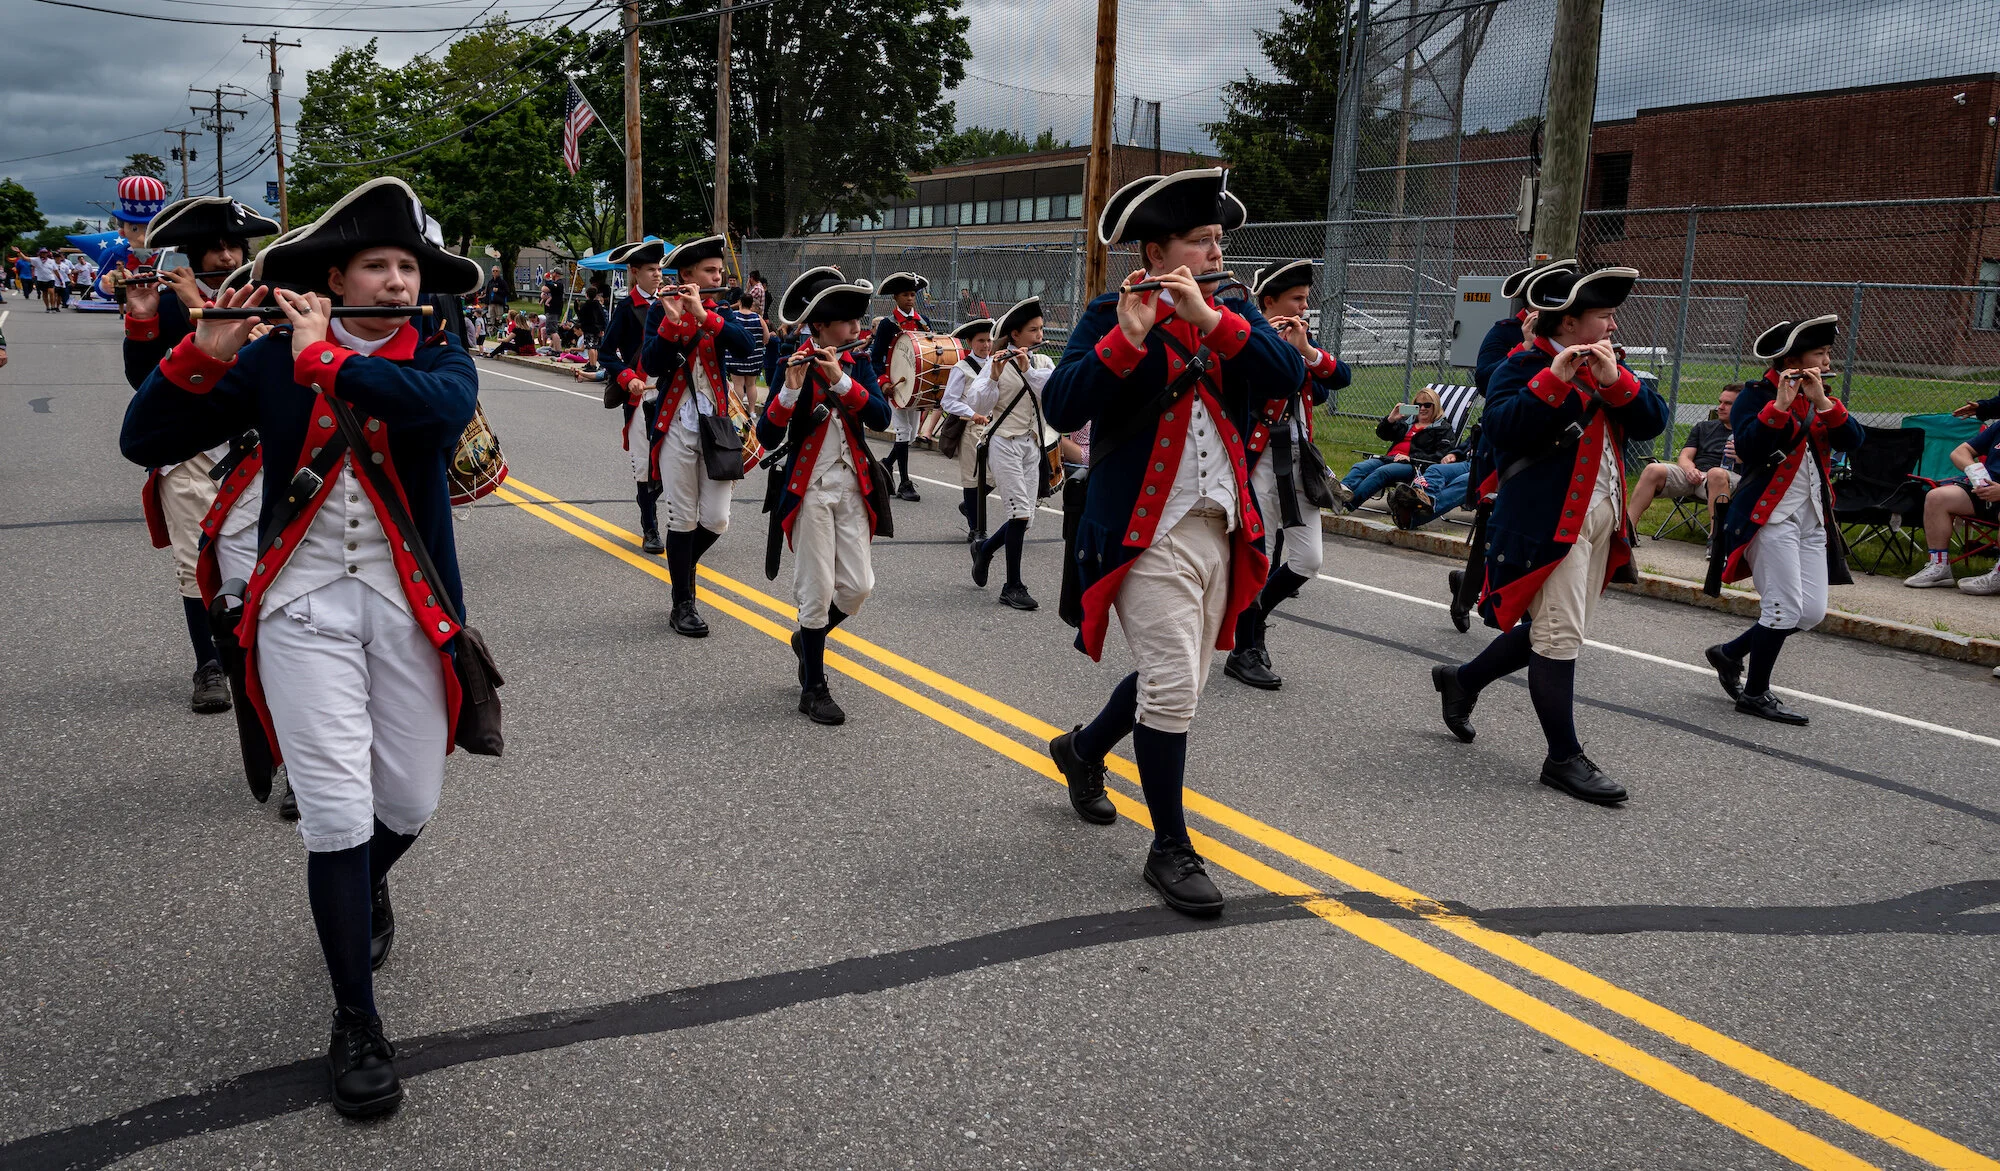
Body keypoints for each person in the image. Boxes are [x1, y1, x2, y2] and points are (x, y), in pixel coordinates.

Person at [119, 175, 483, 1119]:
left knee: (408, 797)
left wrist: (327, 358)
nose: (400, 281)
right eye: (380, 265)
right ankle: (355, 1019)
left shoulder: (439, 357)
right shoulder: (273, 356)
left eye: (409, 267)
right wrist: (198, 354)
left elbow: (436, 419)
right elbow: (143, 436)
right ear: (334, 275)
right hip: (302, 610)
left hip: (406, 609)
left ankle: (362, 888)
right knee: (334, 810)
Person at [1041, 168, 1305, 916]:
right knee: (1172, 686)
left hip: (1220, 523)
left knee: (1178, 676)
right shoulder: (1109, 312)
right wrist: (1127, 338)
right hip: (1143, 530)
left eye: (1220, 239)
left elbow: (1291, 376)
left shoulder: (1236, 314)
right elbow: (1063, 404)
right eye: (1202, 240)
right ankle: (1170, 847)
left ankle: (1084, 749)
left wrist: (1219, 321)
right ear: (1159, 250)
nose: (1219, 252)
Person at [1430, 264, 1667, 806]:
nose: (1612, 327)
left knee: (1553, 626)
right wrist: (1556, 378)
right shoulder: (1524, 364)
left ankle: (1462, 680)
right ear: (1568, 323)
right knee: (1558, 638)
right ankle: (1563, 757)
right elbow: (1504, 428)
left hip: (1601, 515)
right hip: (1547, 520)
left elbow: (1654, 421)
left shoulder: (1613, 365)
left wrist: (1614, 381)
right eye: (1603, 317)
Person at [120, 196, 283, 716]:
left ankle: (270, 662)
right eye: (213, 248)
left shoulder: (274, 297)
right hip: (191, 453)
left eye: (232, 245)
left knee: (272, 565)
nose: (225, 256)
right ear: (193, 252)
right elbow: (144, 385)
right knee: (195, 567)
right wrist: (145, 323)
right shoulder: (167, 300)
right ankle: (208, 665)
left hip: (259, 451)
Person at [1701, 316, 1865, 724]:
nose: (1828, 361)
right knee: (1782, 610)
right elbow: (1752, 448)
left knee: (1810, 613)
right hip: (1767, 517)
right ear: (1793, 358)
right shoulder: (1754, 397)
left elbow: (1855, 442)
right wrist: (1780, 405)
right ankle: (1755, 693)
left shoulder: (1820, 395)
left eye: (1827, 353)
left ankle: (1730, 652)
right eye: (1820, 354)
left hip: (1811, 516)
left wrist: (1824, 403)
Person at [755, 267, 892, 725]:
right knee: (816, 591)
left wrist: (840, 382)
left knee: (858, 587)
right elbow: (766, 433)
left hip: (853, 485)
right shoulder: (789, 362)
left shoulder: (859, 362)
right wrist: (790, 392)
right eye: (849, 321)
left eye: (858, 320)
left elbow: (880, 416)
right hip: (808, 488)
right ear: (819, 326)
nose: (858, 329)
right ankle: (813, 687)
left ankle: (807, 639)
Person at [1225, 259, 1352, 690]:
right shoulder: (1252, 337)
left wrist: (1307, 351)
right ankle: (1245, 648)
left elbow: (1337, 380)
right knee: (1258, 557)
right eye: (1296, 299)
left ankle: (1256, 619)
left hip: (1299, 463)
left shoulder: (1301, 341)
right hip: (1260, 461)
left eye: (1305, 299)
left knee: (1308, 559)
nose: (1304, 306)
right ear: (1268, 302)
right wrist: (1281, 349)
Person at [638, 236, 756, 637]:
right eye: (710, 271)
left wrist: (704, 314)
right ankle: (682, 603)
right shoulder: (661, 310)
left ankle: (682, 566)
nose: (718, 276)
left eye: (719, 271)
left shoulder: (720, 311)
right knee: (682, 518)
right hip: (676, 426)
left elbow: (744, 347)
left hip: (716, 425)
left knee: (717, 519)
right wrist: (672, 322)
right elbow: (651, 363)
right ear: (686, 275)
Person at [963, 297, 1057, 610]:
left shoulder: (1042, 363)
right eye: (1033, 330)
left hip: (1031, 445)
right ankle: (1012, 585)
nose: (1040, 336)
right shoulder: (995, 363)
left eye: (1041, 329)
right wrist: (993, 374)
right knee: (1019, 515)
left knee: (1025, 520)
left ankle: (985, 550)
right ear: (1015, 335)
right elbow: (979, 404)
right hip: (1003, 443)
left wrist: (1028, 369)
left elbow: (1052, 398)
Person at [598, 241, 667, 552]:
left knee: (673, 460)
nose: (658, 275)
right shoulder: (627, 308)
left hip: (670, 392)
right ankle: (650, 528)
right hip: (639, 396)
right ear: (635, 272)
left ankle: (676, 521)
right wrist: (627, 378)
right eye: (651, 270)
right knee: (644, 465)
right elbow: (606, 354)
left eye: (660, 269)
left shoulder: (671, 302)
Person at [1903, 415, 2000, 594]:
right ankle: (1939, 567)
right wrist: (1975, 472)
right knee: (1937, 497)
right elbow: (1959, 452)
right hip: (1986, 490)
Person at [1626, 384, 1741, 528]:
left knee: (1716, 474)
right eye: (1720, 402)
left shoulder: (1750, 431)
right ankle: (1627, 530)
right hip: (1695, 477)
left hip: (1726, 480)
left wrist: (1743, 455)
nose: (1720, 407)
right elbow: (1685, 456)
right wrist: (1690, 470)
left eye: (1728, 404)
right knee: (1653, 469)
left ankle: (1717, 540)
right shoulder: (1703, 427)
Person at [867, 272, 930, 502]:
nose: (910, 299)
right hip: (896, 386)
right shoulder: (887, 324)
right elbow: (876, 357)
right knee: (903, 432)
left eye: (913, 294)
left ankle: (886, 464)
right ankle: (905, 483)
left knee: (911, 435)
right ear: (896, 297)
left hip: (917, 386)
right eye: (905, 294)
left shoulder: (923, 322)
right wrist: (883, 383)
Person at [1340, 387, 1455, 509]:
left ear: (1435, 406)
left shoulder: (1442, 428)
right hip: (1389, 459)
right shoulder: (1407, 422)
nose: (1422, 409)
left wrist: (1411, 458)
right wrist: (1390, 419)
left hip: (1413, 466)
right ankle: (1339, 494)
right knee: (1360, 467)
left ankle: (1348, 504)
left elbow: (1441, 455)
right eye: (1418, 405)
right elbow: (1383, 434)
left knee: (1381, 473)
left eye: (1427, 405)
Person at [938, 317, 995, 542]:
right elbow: (948, 401)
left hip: (994, 428)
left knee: (995, 476)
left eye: (989, 340)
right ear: (971, 342)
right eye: (981, 340)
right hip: (972, 429)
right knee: (973, 480)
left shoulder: (995, 364)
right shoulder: (961, 368)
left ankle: (968, 506)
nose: (986, 345)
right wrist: (973, 414)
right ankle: (976, 528)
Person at [728, 288, 768, 409]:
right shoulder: (758, 318)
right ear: (751, 304)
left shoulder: (733, 317)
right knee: (751, 385)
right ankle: (751, 410)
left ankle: (739, 409)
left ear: (740, 302)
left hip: (735, 357)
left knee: (738, 385)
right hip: (754, 357)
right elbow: (766, 338)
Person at [575, 282, 608, 375]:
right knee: (595, 346)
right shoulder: (598, 305)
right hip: (597, 328)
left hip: (589, 328)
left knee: (590, 346)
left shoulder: (585, 305)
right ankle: (593, 363)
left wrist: (577, 307)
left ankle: (592, 365)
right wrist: (602, 328)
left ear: (587, 295)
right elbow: (602, 317)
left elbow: (580, 316)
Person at [482, 265, 510, 334]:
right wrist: (486, 303)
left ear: (499, 272)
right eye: (493, 271)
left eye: (496, 271)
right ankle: (491, 332)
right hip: (491, 303)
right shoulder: (490, 282)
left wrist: (498, 290)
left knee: (499, 317)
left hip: (499, 303)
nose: (495, 272)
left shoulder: (502, 282)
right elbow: (487, 293)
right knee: (491, 317)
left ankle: (500, 331)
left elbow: (507, 292)